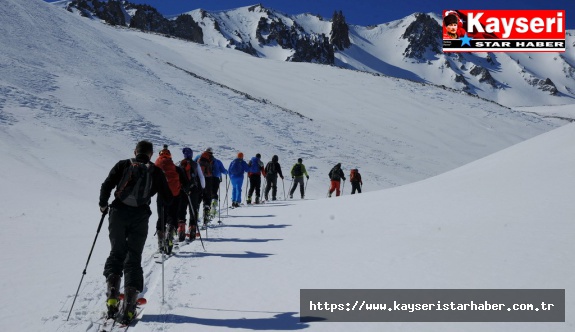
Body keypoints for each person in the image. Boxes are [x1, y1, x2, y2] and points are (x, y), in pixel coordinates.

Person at [99, 140, 172, 324]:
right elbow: (168, 197)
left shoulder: (123, 164)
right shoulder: (155, 171)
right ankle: (129, 308)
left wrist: (103, 204)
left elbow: (106, 185)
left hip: (117, 213)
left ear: (135, 151)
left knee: (116, 253)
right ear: (151, 154)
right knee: (133, 258)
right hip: (140, 216)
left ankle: (113, 299)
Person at [154, 145, 185, 254]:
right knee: (172, 214)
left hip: (161, 195)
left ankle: (160, 240)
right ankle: (170, 231)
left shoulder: (156, 165)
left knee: (161, 217)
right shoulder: (174, 167)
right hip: (174, 194)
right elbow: (184, 180)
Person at [177, 147, 205, 242]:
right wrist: (202, 189)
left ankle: (181, 229)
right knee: (193, 210)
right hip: (194, 191)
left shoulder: (179, 164)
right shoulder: (196, 164)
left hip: (182, 191)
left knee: (181, 209)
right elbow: (201, 178)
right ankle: (192, 229)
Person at [195, 147, 216, 225]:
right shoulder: (212, 159)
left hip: (199, 179)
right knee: (207, 198)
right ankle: (206, 217)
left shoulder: (199, 157)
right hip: (208, 179)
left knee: (198, 198)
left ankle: (195, 216)